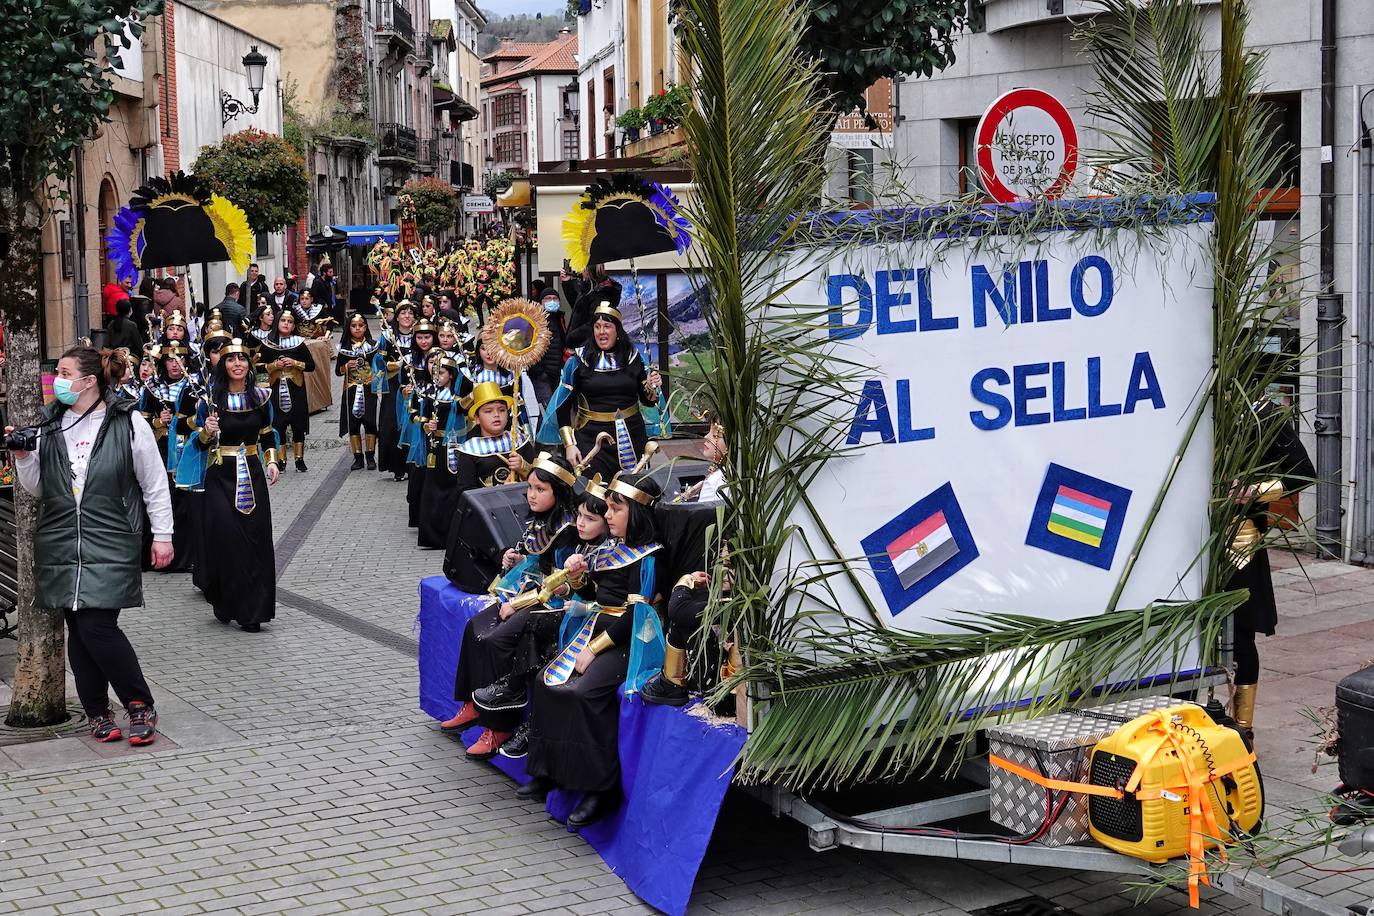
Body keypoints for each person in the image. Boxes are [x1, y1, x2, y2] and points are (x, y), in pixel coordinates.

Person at [9, 346, 172, 745]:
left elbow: (153, 483)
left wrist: (163, 535)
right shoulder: (52, 423)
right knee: (79, 633)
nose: (57, 382)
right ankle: (98, 711)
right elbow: (38, 488)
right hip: (62, 540)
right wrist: (23, 456)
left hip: (112, 537)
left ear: (89, 381)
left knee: (98, 626)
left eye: (64, 373)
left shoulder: (128, 421)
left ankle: (139, 703)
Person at [523, 472, 664, 825]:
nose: (609, 516)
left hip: (628, 640)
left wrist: (596, 649)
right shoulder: (612, 548)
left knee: (586, 694)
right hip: (596, 627)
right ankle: (549, 771)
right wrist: (575, 579)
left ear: (635, 513)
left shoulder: (650, 556)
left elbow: (636, 615)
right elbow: (592, 597)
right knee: (546, 682)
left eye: (616, 510)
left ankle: (600, 790)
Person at [452, 467, 599, 761]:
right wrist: (518, 558)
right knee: (474, 626)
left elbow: (555, 583)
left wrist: (516, 604)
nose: (531, 495)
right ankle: (473, 702)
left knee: (496, 640)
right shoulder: (543, 521)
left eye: (540, 489)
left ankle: (499, 725)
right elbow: (537, 563)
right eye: (529, 488)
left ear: (558, 493)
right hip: (531, 594)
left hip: (555, 605)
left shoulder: (568, 531)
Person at [1226, 399, 1315, 734]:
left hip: (1239, 541)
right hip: (1187, 537)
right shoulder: (1188, 402)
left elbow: (1302, 472)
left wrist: (1253, 491)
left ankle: (1243, 729)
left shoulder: (1261, 410)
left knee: (1241, 636)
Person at [191, 340, 282, 630]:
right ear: (223, 365)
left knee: (255, 540)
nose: (238, 364)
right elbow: (200, 444)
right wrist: (207, 431)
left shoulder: (261, 398)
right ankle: (225, 599)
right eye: (231, 360)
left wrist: (271, 461)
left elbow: (268, 435)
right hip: (221, 474)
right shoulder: (209, 400)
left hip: (253, 474)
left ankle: (252, 610)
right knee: (227, 539)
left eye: (242, 359)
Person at [542, 303, 662, 482]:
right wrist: (569, 445)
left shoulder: (633, 357)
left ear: (617, 331)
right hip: (591, 440)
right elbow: (562, 406)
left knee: (630, 491)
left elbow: (648, 401)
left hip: (632, 435)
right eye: (597, 327)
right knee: (595, 494)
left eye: (607, 326)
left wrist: (652, 388)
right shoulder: (578, 361)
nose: (601, 332)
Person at [415, 356, 463, 548]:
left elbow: (467, 419)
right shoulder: (430, 395)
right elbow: (419, 417)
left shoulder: (457, 398)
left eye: (441, 373)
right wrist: (428, 425)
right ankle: (432, 536)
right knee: (432, 491)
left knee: (452, 489)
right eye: (435, 373)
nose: (437, 377)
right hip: (434, 447)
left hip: (452, 447)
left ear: (451, 375)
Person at [259, 309, 315, 472]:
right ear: (277, 322)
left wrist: (295, 363)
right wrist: (273, 366)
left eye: (290, 322)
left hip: (296, 388)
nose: (286, 324)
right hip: (275, 388)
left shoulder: (299, 343)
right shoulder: (267, 343)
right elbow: (258, 368)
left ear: (293, 326)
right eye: (283, 320)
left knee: (298, 424)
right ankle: (281, 460)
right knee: (278, 424)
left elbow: (311, 366)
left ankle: (299, 460)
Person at [400, 319, 439, 519]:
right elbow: (402, 386)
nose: (424, 341)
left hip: (440, 425)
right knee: (417, 468)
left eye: (428, 337)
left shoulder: (442, 359)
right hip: (419, 424)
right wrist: (405, 390)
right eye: (420, 337)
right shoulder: (409, 360)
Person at [374, 301, 417, 480]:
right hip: (393, 388)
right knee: (392, 425)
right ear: (397, 316)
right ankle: (396, 466)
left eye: (410, 313)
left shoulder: (420, 334)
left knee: (413, 424)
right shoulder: (388, 336)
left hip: (415, 386)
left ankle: (412, 465)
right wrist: (396, 365)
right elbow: (378, 363)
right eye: (403, 313)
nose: (407, 316)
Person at [337, 312, 380, 471]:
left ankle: (370, 456)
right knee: (353, 424)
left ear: (366, 327)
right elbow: (337, 371)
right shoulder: (343, 348)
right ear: (349, 328)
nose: (357, 328)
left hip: (369, 389)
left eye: (360, 325)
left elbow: (379, 366)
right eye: (353, 326)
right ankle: (357, 458)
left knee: (370, 422)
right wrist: (346, 366)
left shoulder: (373, 345)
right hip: (351, 389)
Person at [563, 265, 622, 350]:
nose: (580, 272)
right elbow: (578, 309)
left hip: (587, 349)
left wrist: (571, 337)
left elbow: (593, 323)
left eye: (583, 270)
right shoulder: (588, 291)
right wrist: (567, 283)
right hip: (582, 347)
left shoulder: (599, 295)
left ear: (588, 272)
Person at [529, 290, 568, 407]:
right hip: (541, 374)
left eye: (555, 298)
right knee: (547, 407)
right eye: (548, 298)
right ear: (541, 302)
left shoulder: (559, 318)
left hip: (556, 372)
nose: (552, 301)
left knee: (553, 408)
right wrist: (539, 371)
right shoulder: (535, 320)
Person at [310, 261, 340, 325]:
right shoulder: (317, 282)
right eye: (330, 272)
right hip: (320, 309)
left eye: (332, 272)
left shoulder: (327, 281)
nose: (332, 274)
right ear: (324, 273)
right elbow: (314, 295)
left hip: (328, 307)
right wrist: (323, 303)